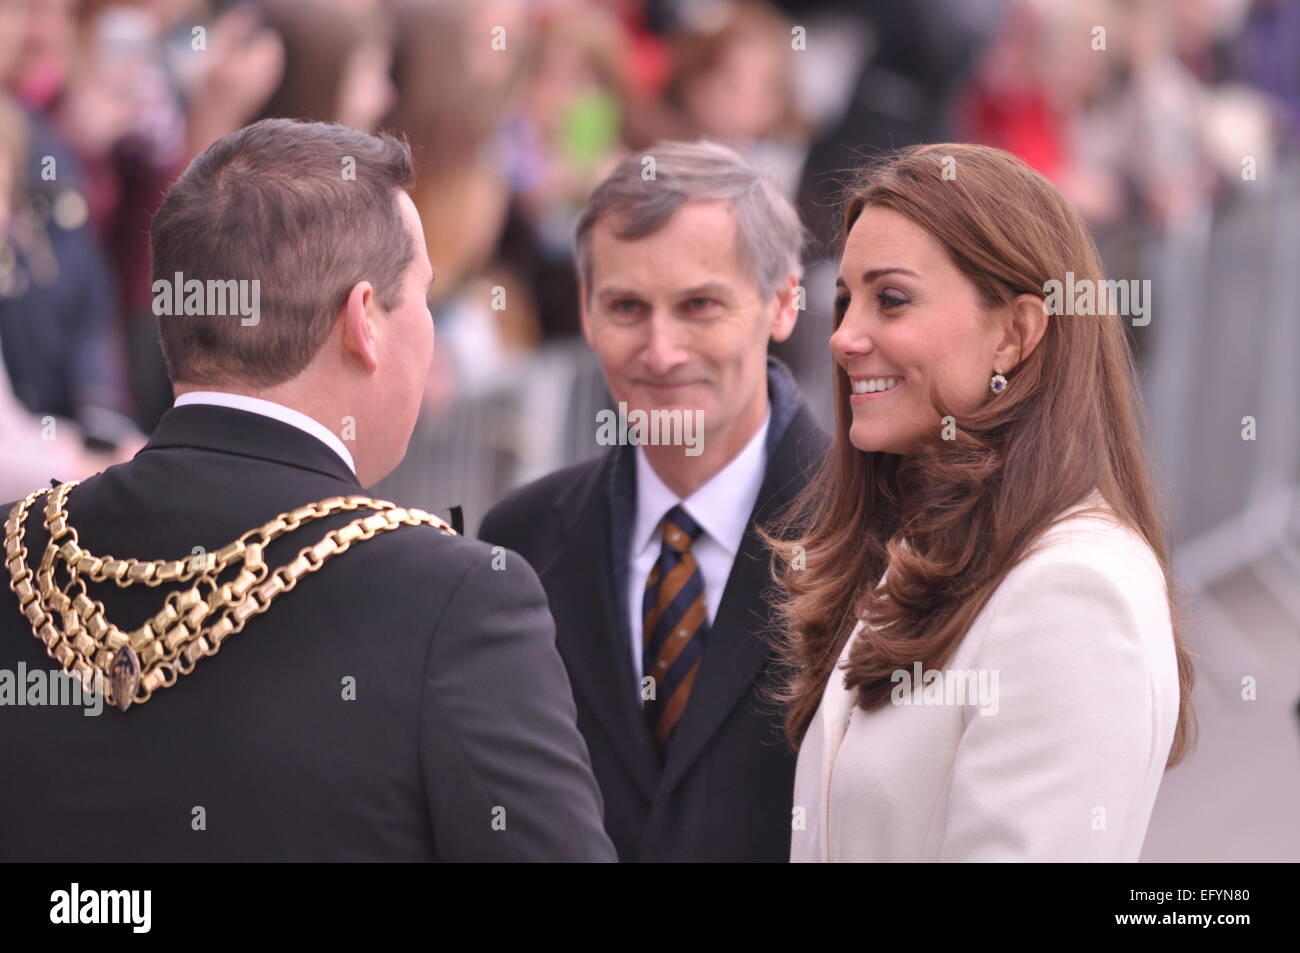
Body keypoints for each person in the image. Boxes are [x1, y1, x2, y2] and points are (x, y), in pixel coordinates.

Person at [0, 118, 615, 862]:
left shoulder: (20, 547)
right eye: (419, 297)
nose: (432, 333)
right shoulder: (454, 602)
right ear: (365, 323)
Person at [767, 142, 1195, 862]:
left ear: (1016, 333)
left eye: (891, 298)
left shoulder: (1073, 588)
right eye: (844, 301)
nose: (843, 338)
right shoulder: (923, 548)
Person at [479, 140, 829, 861]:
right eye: (628, 307)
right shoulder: (521, 540)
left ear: (784, 302)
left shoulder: (882, 536)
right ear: (586, 310)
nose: (662, 350)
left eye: (700, 305)